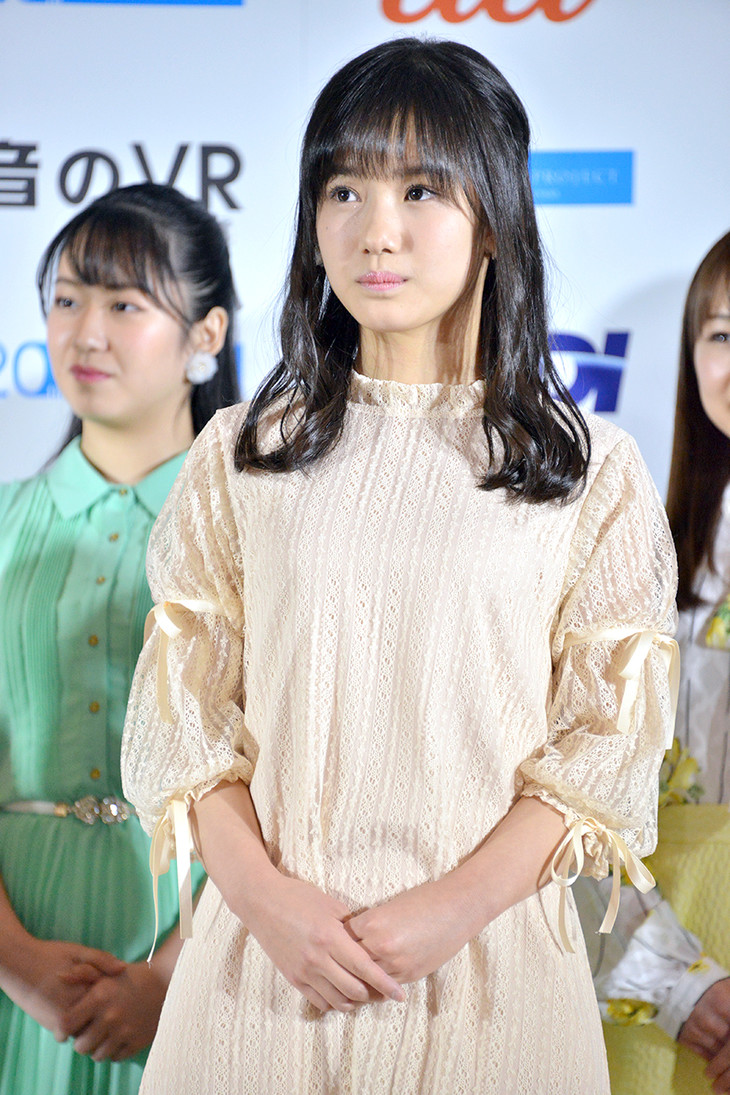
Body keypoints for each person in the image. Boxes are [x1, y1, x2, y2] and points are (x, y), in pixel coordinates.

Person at [121, 39, 676, 1094]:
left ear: (494, 216)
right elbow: (184, 715)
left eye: (420, 190)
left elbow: (608, 740)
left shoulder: (587, 471)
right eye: (344, 190)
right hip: (260, 978)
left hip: (493, 979)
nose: (376, 230)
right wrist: (268, 906)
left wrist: (450, 911)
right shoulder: (242, 453)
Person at [0, 182, 240, 1095]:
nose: (85, 333)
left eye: (124, 305)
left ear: (205, 334)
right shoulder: (5, 522)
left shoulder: (262, 530)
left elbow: (302, 780)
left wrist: (173, 974)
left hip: (218, 945)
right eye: (67, 300)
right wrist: (18, 960)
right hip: (17, 950)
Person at [578, 231, 730, 1095]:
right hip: (652, 992)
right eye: (723, 334)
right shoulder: (639, 560)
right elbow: (576, 799)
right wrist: (678, 983)